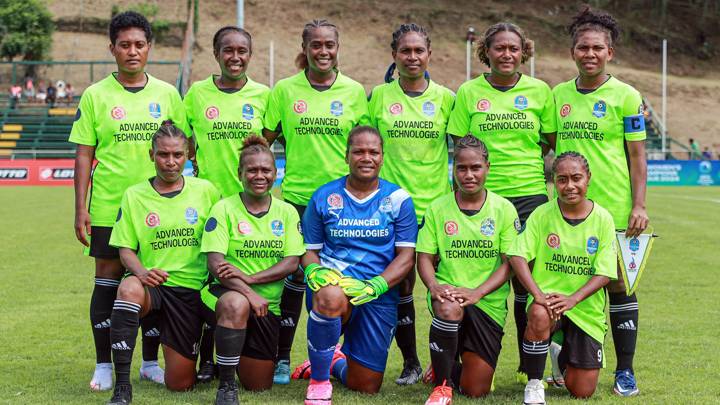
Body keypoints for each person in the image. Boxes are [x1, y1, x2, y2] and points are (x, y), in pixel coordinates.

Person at [68, 10, 189, 392]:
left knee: (155, 282)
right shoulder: (96, 95)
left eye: (139, 44)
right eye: (124, 45)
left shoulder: (168, 94)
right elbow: (84, 154)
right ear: (112, 49)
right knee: (107, 282)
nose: (132, 51)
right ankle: (104, 363)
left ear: (149, 48)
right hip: (108, 205)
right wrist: (81, 207)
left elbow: (183, 146)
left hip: (158, 207)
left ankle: (150, 362)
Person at [446, 22, 556, 384]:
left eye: (513, 48)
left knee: (527, 286)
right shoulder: (468, 92)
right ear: (486, 53)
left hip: (529, 198)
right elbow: (463, 149)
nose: (506, 54)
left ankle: (531, 364)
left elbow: (548, 142)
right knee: (477, 277)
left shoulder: (540, 91)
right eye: (499, 48)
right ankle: (477, 357)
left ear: (524, 52)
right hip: (484, 199)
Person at [262, 19, 369, 385]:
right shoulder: (284, 90)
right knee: (294, 277)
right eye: (316, 45)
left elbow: (364, 146)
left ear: (338, 48)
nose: (323, 51)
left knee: (341, 279)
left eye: (329, 45)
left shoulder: (355, 92)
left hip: (346, 205)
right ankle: (280, 357)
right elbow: (265, 139)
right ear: (305, 48)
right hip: (297, 199)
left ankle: (332, 352)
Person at [551, 7, 649, 396]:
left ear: (610, 52)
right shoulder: (558, 94)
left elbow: (637, 155)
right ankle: (564, 364)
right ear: (573, 52)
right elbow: (548, 145)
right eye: (582, 47)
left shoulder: (627, 96)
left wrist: (638, 206)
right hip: (566, 209)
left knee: (620, 286)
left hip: (614, 208)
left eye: (597, 48)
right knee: (564, 281)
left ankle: (625, 370)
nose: (589, 54)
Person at [295, 126, 417, 404]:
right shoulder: (324, 196)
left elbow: (406, 257)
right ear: (346, 155)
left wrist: (378, 284)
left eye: (373, 152)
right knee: (329, 295)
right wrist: (314, 270)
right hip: (335, 288)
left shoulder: (398, 199)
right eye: (358, 151)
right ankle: (319, 382)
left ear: (382, 157)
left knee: (366, 385)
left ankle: (330, 361)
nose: (366, 157)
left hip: (377, 294)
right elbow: (309, 251)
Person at [105, 121, 221, 404]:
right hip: (153, 286)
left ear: (188, 155)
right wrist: (142, 272)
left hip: (191, 292)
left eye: (177, 155)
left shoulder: (206, 191)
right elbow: (125, 250)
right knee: (128, 289)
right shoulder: (134, 195)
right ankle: (122, 387)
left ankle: (202, 354)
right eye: (163, 155)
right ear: (151, 155)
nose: (170, 162)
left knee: (180, 385)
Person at [367, 23, 455, 385]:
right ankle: (411, 363)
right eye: (406, 51)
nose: (413, 57)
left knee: (442, 285)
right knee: (400, 288)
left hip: (435, 209)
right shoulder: (378, 97)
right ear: (394, 56)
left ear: (429, 55)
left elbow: (465, 153)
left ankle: (443, 362)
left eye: (419, 51)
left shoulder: (447, 99)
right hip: (390, 211)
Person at [184, 26, 270, 381]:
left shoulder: (264, 95)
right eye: (228, 51)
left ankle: (242, 355)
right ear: (216, 54)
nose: (235, 57)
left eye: (242, 51)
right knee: (207, 282)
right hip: (206, 203)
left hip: (248, 206)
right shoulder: (196, 94)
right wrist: (197, 164)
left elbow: (265, 145)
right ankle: (206, 359)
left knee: (240, 278)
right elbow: (184, 138)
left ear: (250, 55)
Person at [199, 135, 305, 405]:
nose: (260, 176)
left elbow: (291, 262)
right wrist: (249, 292)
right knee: (236, 304)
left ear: (275, 172)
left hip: (267, 306)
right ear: (240, 174)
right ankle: (225, 386)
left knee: (259, 386)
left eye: (266, 170)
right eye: (252, 170)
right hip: (225, 294)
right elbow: (215, 263)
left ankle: (229, 355)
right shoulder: (223, 209)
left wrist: (250, 277)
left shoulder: (287, 212)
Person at [416, 136, 520, 405]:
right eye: (462, 168)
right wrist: (434, 286)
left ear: (487, 166)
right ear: (453, 168)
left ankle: (446, 363)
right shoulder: (438, 207)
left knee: (476, 390)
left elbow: (510, 264)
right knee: (449, 309)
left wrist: (477, 292)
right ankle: (442, 386)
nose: (469, 175)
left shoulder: (504, 209)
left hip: (488, 302)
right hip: (449, 295)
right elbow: (424, 257)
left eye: (475, 167)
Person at [508, 151, 617, 404]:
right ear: (553, 182)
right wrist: (537, 295)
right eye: (562, 179)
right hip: (548, 303)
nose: (569, 186)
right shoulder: (542, 214)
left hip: (584, 309)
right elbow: (516, 256)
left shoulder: (603, 219)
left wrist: (572, 299)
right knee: (537, 313)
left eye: (576, 178)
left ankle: (560, 354)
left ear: (588, 178)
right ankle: (535, 384)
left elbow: (605, 273)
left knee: (582, 391)